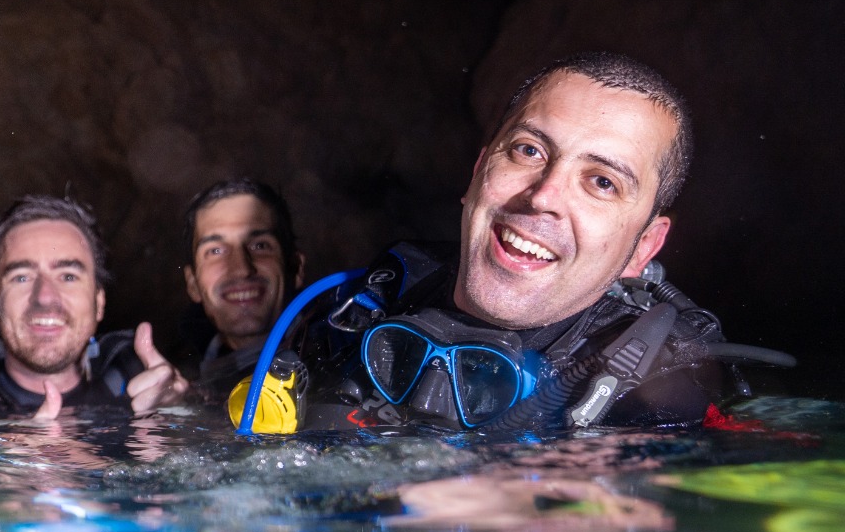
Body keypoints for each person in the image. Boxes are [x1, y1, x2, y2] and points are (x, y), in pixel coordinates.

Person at [231, 51, 786, 434]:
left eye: (601, 182)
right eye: (528, 151)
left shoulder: (662, 389)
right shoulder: (384, 290)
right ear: (477, 171)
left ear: (644, 247)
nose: (543, 196)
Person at [0, 195, 188, 418]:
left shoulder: (135, 374)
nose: (45, 297)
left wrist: (180, 414)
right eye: (21, 277)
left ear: (99, 303)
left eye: (68, 276)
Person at [181, 179, 305, 398]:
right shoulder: (183, 378)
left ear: (295, 268)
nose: (240, 269)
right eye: (215, 251)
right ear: (193, 284)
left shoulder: (340, 363)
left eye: (260, 245)